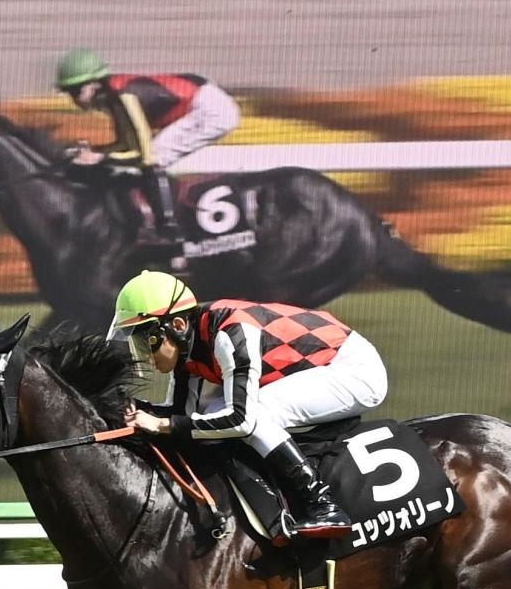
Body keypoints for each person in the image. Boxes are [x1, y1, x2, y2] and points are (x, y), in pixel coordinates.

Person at [108, 270, 385, 541]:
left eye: (148, 341)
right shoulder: (188, 346)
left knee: (255, 412)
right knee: (209, 414)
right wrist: (133, 408)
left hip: (353, 369)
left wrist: (158, 423)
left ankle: (323, 503)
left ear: (178, 326)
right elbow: (184, 416)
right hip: (318, 369)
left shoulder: (230, 332)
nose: (145, 355)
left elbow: (241, 420)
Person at [54, 50, 241, 250]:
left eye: (75, 91)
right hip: (202, 100)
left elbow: (144, 154)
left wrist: (100, 156)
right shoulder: (112, 97)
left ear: (94, 84)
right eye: (69, 93)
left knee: (155, 155)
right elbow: (126, 144)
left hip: (212, 110)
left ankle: (170, 230)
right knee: (148, 155)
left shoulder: (124, 96)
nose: (73, 99)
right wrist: (96, 151)